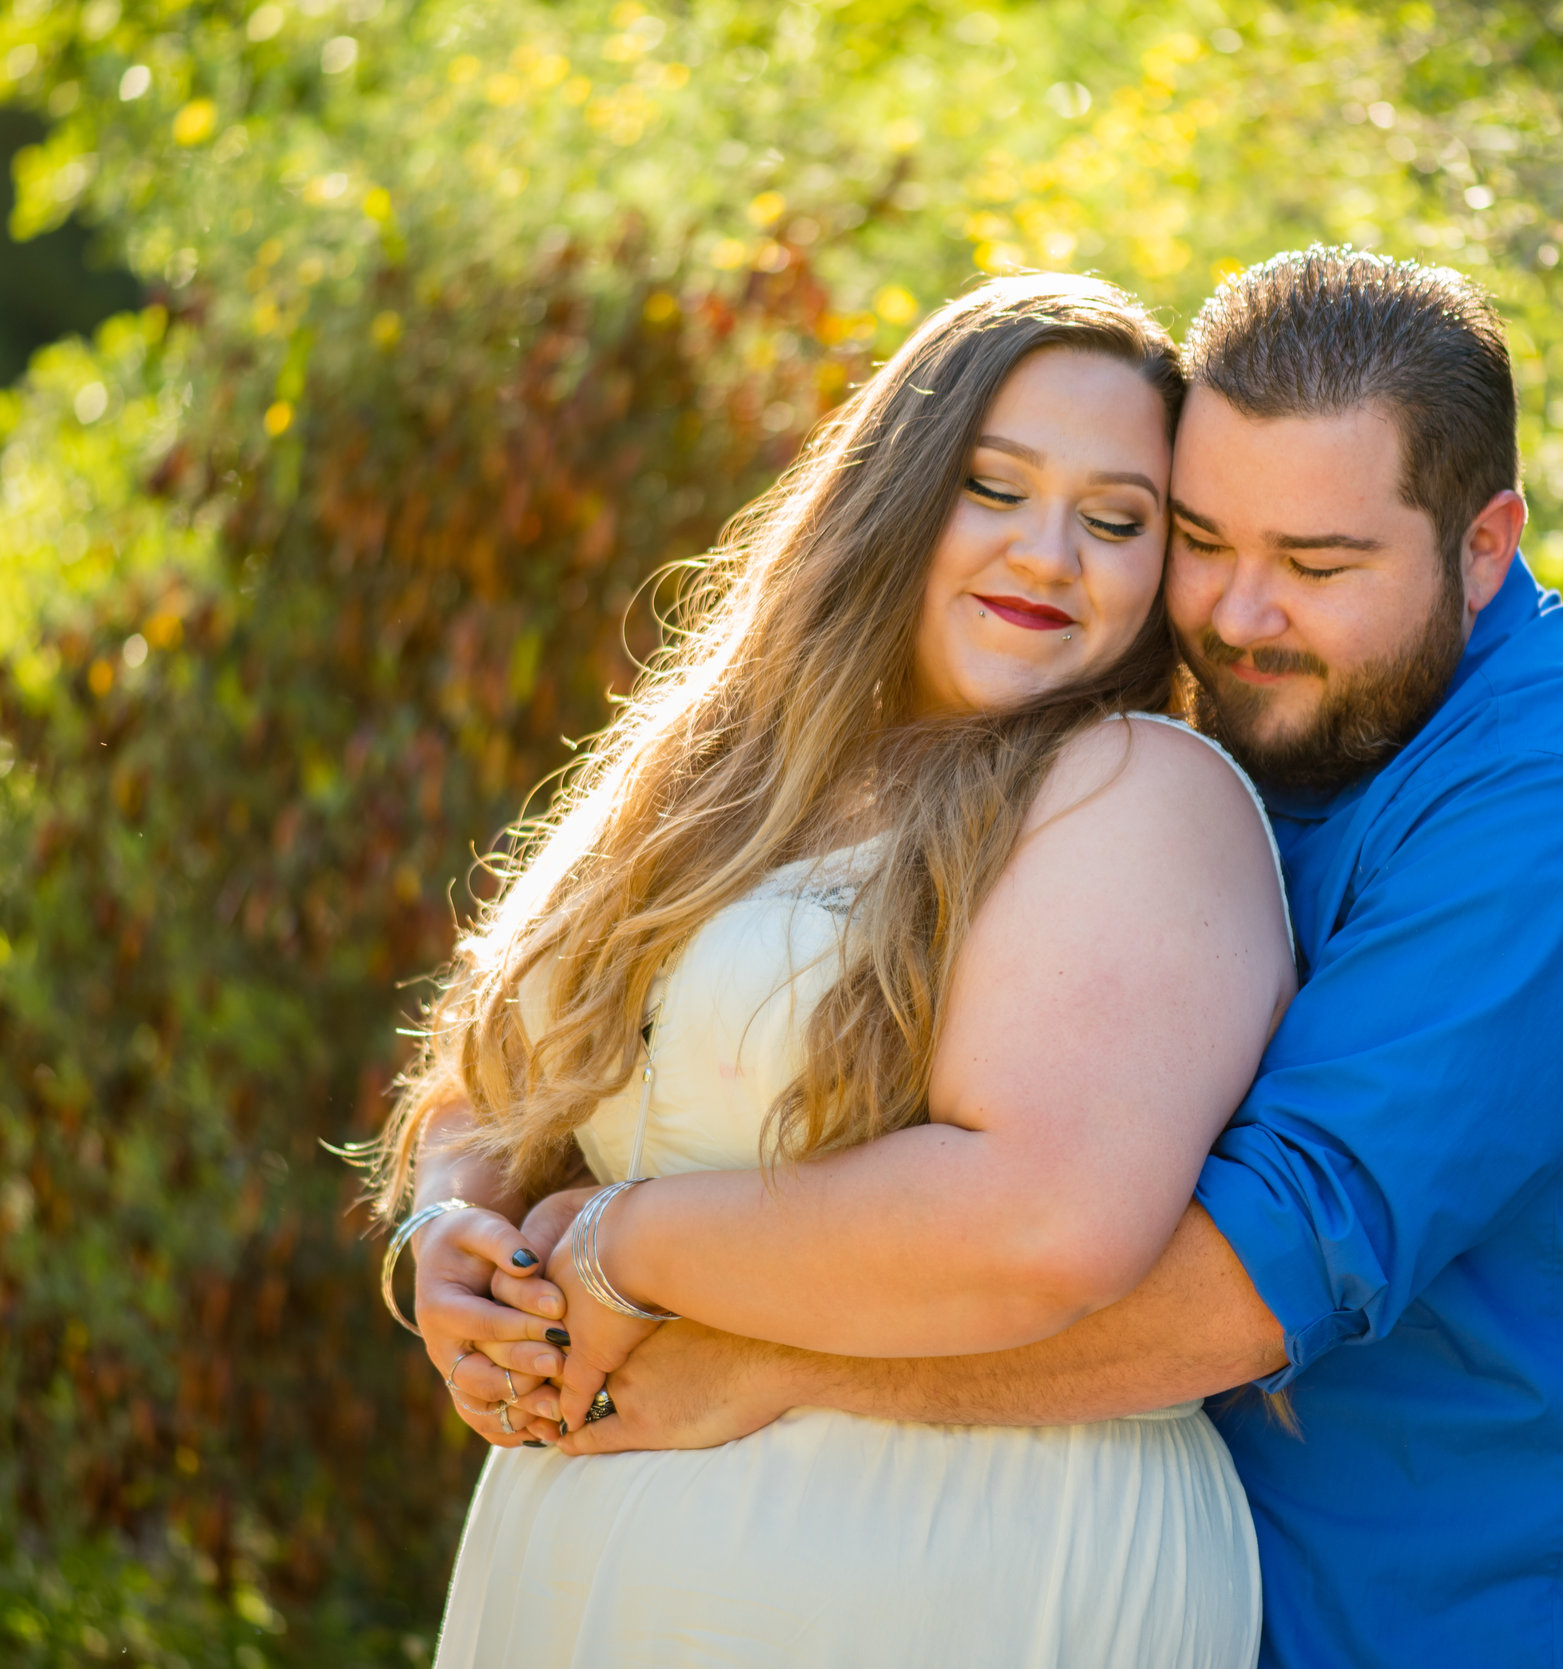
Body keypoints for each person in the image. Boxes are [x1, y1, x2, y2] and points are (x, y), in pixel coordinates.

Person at [517, 248, 1563, 1667]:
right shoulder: (1234, 716)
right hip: (1227, 1597)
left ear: (1484, 546)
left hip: (1495, 1614)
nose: (1240, 616)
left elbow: (1244, 1280)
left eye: (1317, 564)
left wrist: (761, 1358)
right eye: (1202, 539)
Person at [369, 273, 1294, 1666]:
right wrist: (446, 1239)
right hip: (581, 1576)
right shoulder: (729, 772)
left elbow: (1045, 1221)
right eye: (996, 489)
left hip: (962, 1564)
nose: (1051, 555)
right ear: (900, 492)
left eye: (1117, 521)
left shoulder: (1135, 790)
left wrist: (623, 1246)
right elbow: (496, 1077)